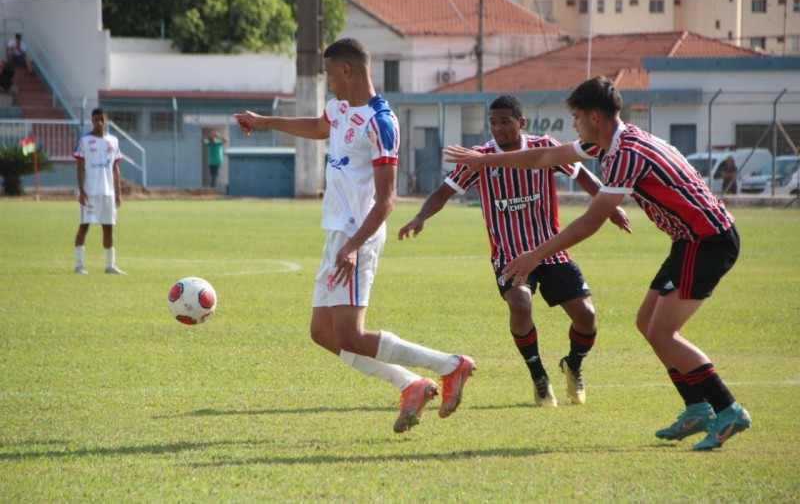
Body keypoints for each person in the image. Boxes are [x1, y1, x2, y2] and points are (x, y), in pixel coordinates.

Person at [443, 76, 751, 451]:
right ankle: (697, 406)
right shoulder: (609, 140)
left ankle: (728, 408)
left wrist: (535, 254)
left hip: (707, 240)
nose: (572, 124)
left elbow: (590, 221)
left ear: (593, 116)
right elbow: (543, 157)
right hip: (690, 240)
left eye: (575, 116)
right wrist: (487, 159)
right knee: (647, 324)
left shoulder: (627, 153)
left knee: (664, 332)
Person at [234, 37, 474, 434]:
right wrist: (265, 121)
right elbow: (316, 126)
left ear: (347, 70)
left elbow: (387, 200)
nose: (326, 81)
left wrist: (353, 245)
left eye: (328, 73)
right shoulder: (341, 107)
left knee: (351, 334)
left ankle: (451, 365)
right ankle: (410, 383)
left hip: (357, 236)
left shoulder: (382, 122)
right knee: (323, 333)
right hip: (337, 235)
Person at [399, 94, 631, 407]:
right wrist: (420, 216)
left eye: (505, 121)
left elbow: (583, 175)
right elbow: (442, 193)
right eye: (493, 122)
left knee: (586, 317)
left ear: (521, 123)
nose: (498, 128)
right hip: (508, 254)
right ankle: (538, 376)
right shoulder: (480, 158)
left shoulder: (544, 148)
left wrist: (611, 208)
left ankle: (572, 364)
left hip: (551, 250)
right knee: (520, 303)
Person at [73, 108, 125, 275]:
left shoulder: (113, 141)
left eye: (101, 119)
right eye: (96, 120)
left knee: (108, 228)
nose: (99, 123)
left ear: (106, 119)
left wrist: (118, 191)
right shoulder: (85, 141)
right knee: (84, 226)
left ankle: (110, 266)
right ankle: (79, 265)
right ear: (92, 120)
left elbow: (115, 167)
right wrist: (82, 191)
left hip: (108, 192)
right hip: (90, 192)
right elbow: (80, 167)